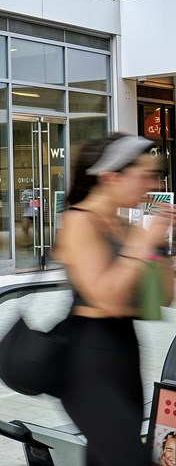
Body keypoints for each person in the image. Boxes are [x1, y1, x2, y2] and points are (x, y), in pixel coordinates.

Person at [55, 134, 174, 466]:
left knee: (105, 457)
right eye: (145, 175)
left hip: (125, 350)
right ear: (111, 177)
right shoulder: (77, 221)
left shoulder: (124, 225)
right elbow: (104, 298)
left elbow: (164, 296)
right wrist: (141, 243)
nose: (152, 184)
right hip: (86, 360)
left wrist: (158, 243)